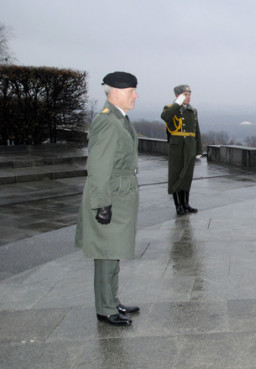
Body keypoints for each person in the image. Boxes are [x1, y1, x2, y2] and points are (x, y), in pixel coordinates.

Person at [74, 71, 141, 326]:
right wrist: (102, 204)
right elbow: (98, 167)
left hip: (119, 195)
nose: (135, 95)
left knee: (114, 252)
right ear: (115, 92)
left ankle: (112, 300)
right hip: (110, 196)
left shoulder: (119, 119)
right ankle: (105, 308)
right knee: (105, 253)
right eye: (131, 91)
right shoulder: (107, 121)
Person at [161, 84, 202, 215]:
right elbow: (165, 117)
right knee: (176, 175)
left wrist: (199, 149)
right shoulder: (170, 109)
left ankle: (186, 203)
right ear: (178, 96)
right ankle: (178, 205)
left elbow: (197, 131)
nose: (188, 97)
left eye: (189, 94)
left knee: (187, 176)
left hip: (190, 145)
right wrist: (177, 104)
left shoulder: (193, 111)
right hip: (177, 146)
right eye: (186, 94)